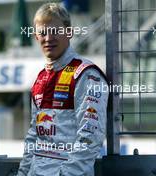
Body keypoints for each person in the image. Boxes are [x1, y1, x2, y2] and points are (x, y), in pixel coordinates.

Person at [17, 3, 108, 176]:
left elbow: (90, 137)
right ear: (36, 37)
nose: (48, 38)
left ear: (69, 32)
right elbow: (33, 136)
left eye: (55, 31)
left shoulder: (86, 74)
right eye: (43, 33)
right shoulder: (40, 79)